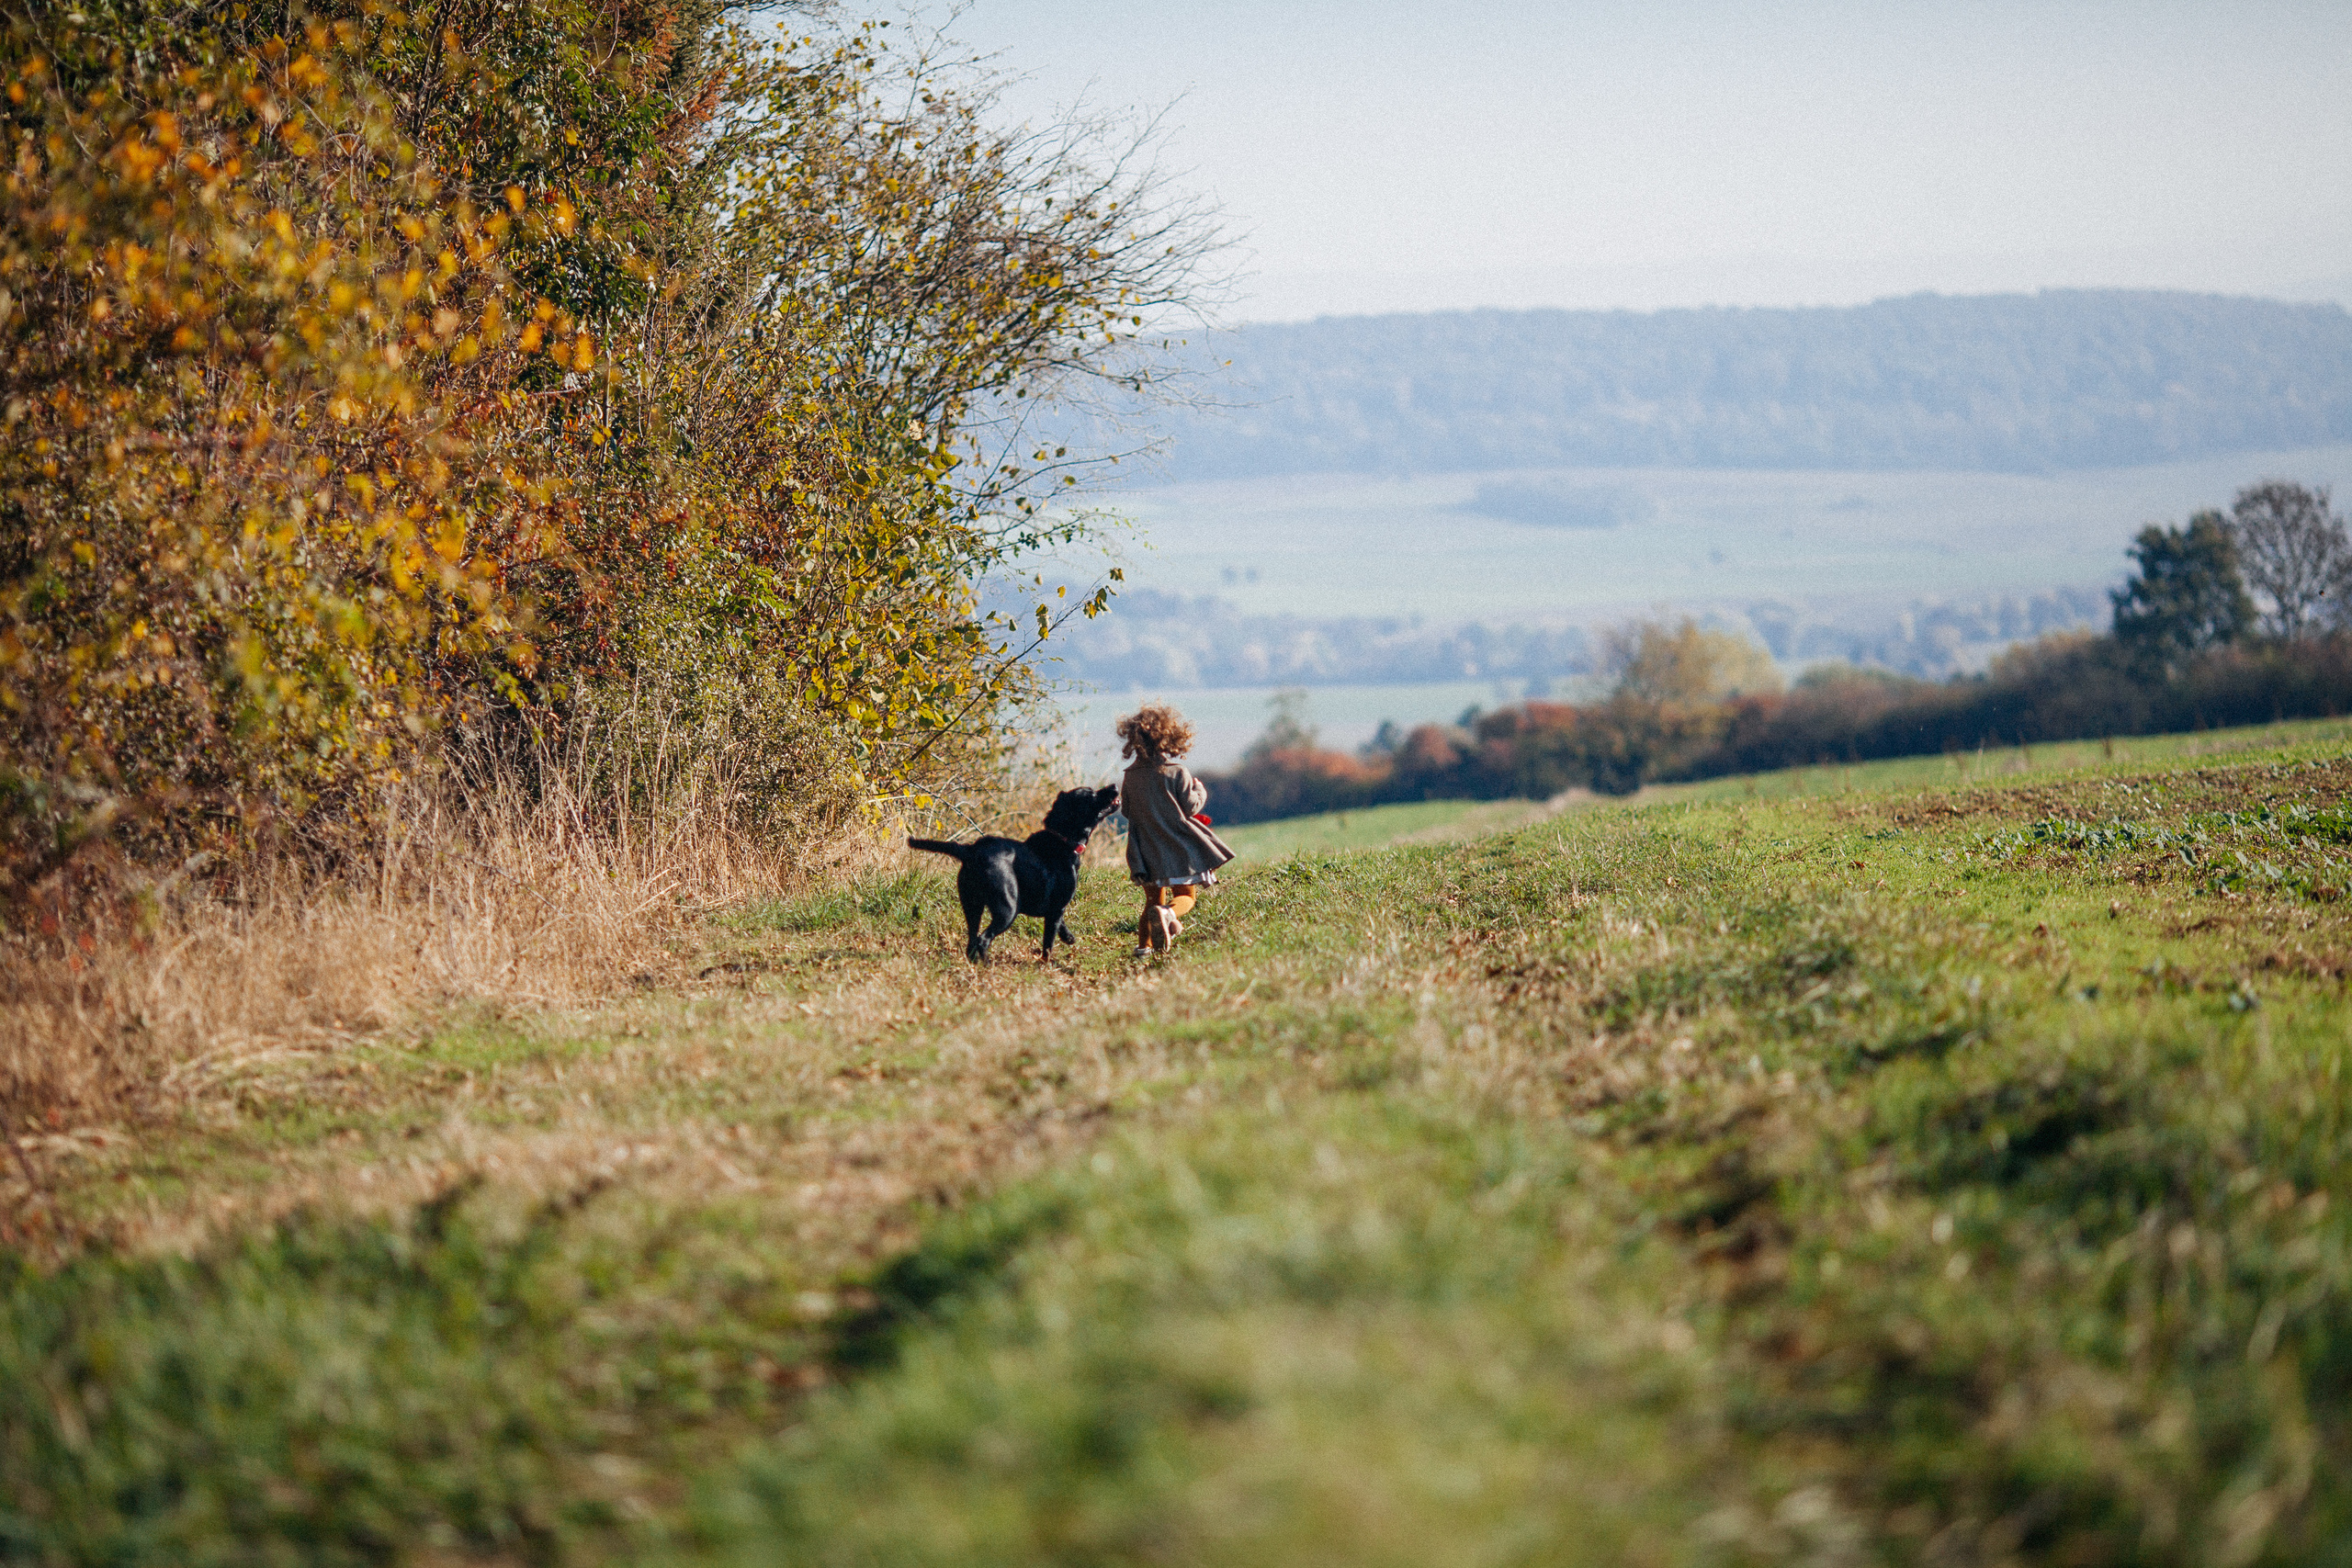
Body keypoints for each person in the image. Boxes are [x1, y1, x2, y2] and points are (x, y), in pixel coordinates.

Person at [1115, 704, 1235, 956]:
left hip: (1145, 849)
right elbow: (1190, 807)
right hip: (1178, 848)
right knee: (1186, 897)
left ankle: (1142, 951)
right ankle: (1169, 913)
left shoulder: (1130, 776)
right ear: (1170, 738)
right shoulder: (1177, 772)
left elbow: (1127, 811)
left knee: (1151, 903)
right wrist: (1200, 790)